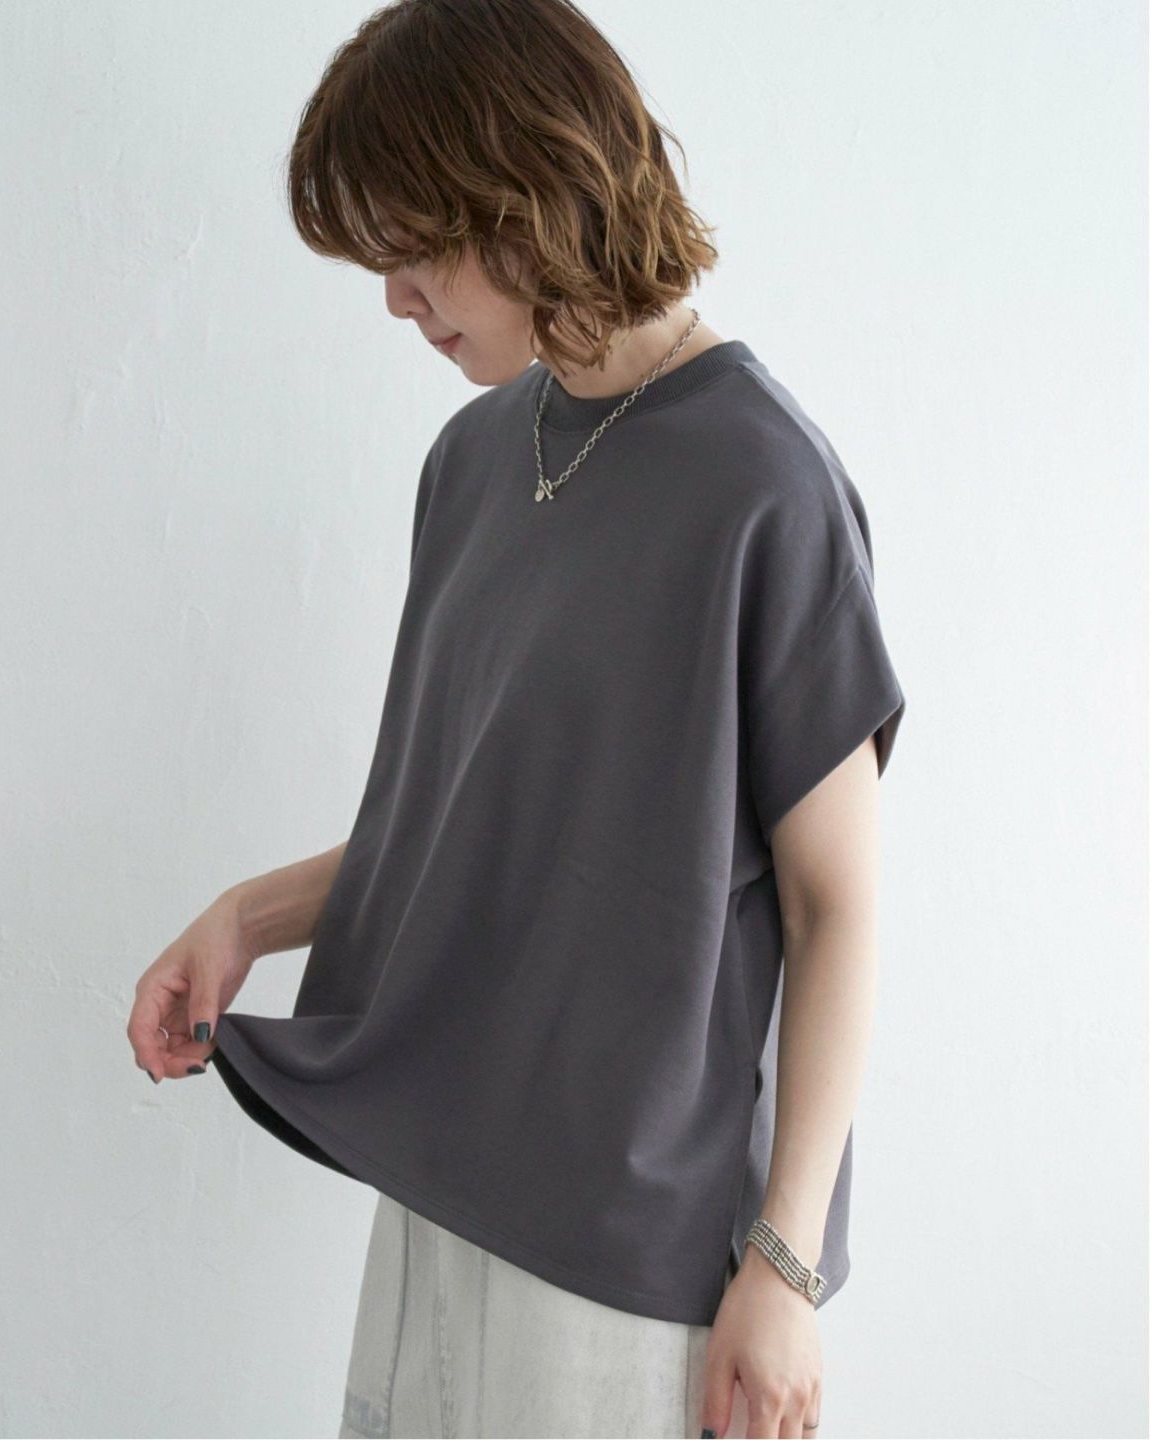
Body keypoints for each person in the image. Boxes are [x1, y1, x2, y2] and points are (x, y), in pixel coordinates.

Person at [125, 2, 906, 1436]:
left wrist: (785, 1267)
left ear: (526, 192)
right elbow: (480, 830)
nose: (393, 300)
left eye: (413, 249)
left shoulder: (766, 489)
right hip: (442, 1193)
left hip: (628, 1259)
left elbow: (836, 904)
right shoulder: (477, 457)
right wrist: (253, 916)